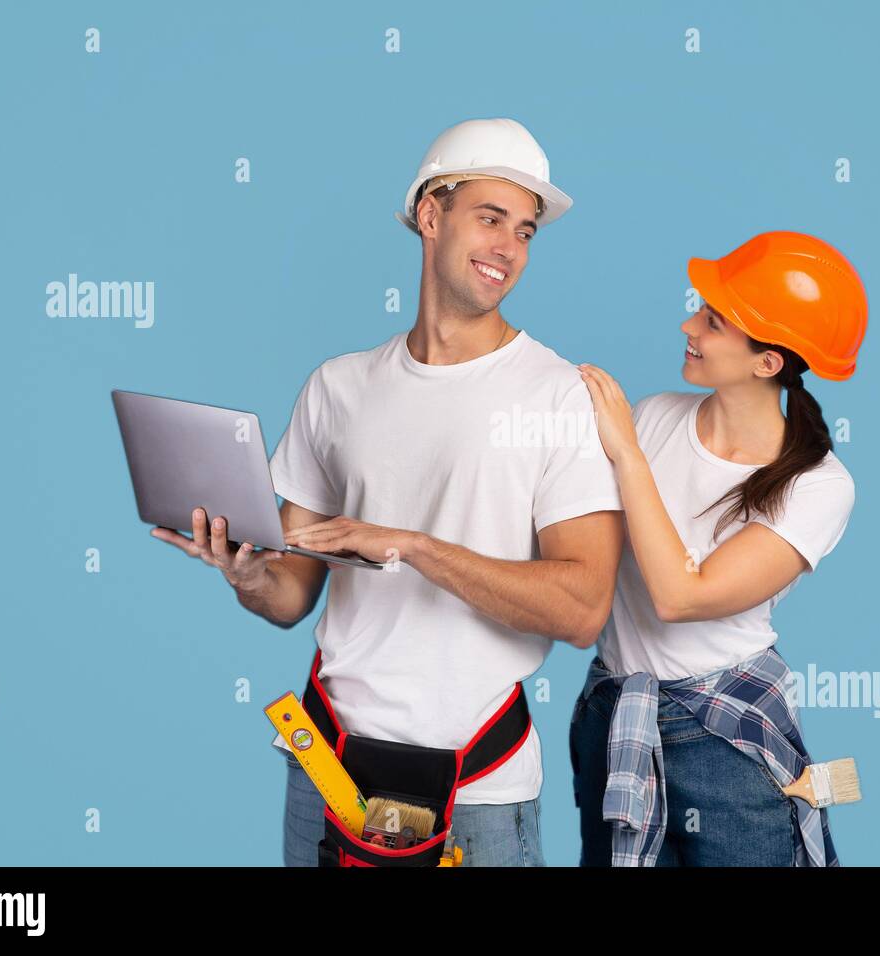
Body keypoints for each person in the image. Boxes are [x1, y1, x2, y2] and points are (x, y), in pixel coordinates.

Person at [151, 117, 624, 866]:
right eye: (490, 218)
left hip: (479, 790)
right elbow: (288, 596)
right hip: (325, 769)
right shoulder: (338, 388)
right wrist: (245, 574)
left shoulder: (558, 396)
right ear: (431, 216)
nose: (508, 247)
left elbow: (582, 607)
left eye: (526, 231)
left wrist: (411, 546)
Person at [570, 230, 867, 866]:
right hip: (618, 716)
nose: (688, 324)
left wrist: (625, 452)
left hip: (721, 740)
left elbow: (682, 595)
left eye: (712, 321)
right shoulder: (654, 416)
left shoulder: (819, 487)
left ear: (767, 363)